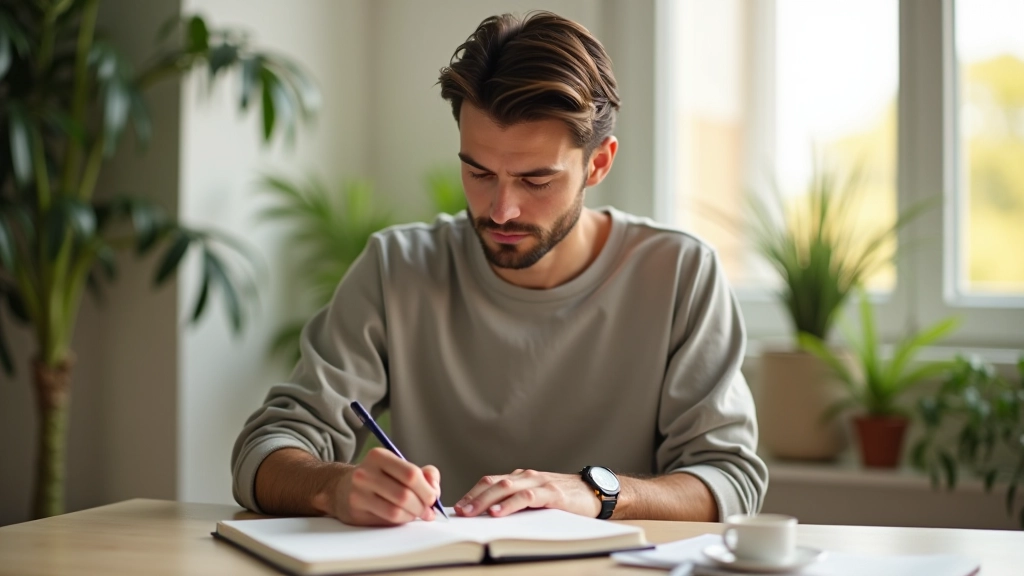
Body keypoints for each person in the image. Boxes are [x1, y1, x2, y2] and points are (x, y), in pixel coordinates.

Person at [231, 11, 767, 527]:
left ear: (598, 163)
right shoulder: (397, 269)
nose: (501, 209)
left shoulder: (678, 274)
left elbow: (730, 480)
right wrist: (335, 487)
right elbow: (265, 452)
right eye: (479, 171)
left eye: (536, 180)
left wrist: (594, 492)